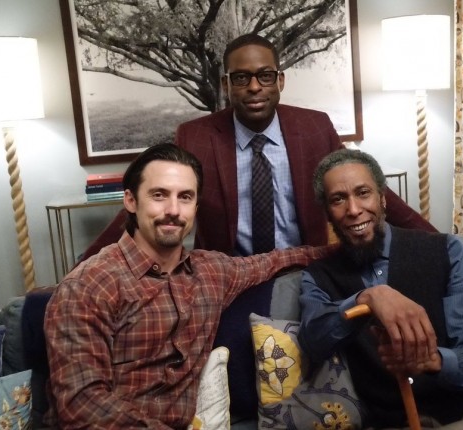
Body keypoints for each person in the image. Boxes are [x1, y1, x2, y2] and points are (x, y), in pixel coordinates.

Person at [43, 143, 328, 429]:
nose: (173, 210)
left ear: (195, 208)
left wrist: (348, 248)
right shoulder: (89, 286)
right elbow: (82, 406)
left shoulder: (212, 272)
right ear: (130, 201)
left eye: (185, 197)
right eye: (159, 195)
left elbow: (277, 260)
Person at [298, 149, 463, 429]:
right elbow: (313, 341)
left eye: (363, 193)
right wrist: (367, 299)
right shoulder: (318, 277)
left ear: (383, 198)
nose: (354, 209)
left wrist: (431, 361)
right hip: (395, 422)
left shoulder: (447, 251)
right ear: (327, 213)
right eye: (338, 199)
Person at [175, 33, 435, 256]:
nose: (254, 87)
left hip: (304, 268)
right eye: (241, 78)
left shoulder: (314, 129)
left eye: (265, 76)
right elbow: (163, 207)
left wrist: (442, 245)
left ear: (280, 80)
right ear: (226, 84)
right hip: (228, 276)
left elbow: (369, 188)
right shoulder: (195, 138)